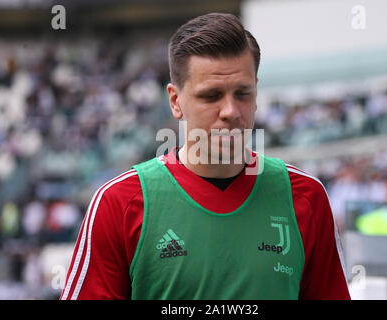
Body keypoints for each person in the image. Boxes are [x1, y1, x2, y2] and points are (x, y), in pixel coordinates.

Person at [61, 13, 350, 300]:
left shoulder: (306, 198)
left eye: (243, 93)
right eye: (211, 96)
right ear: (176, 101)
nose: (231, 111)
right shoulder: (119, 204)